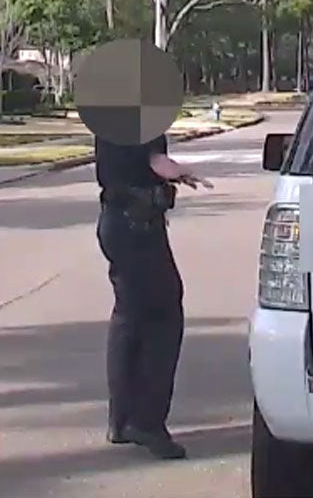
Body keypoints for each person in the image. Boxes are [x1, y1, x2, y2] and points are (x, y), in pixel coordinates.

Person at [94, 132, 213, 459]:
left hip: (118, 220)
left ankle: (122, 419)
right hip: (137, 223)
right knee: (163, 316)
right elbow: (154, 160)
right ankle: (146, 421)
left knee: (129, 316)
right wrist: (177, 171)